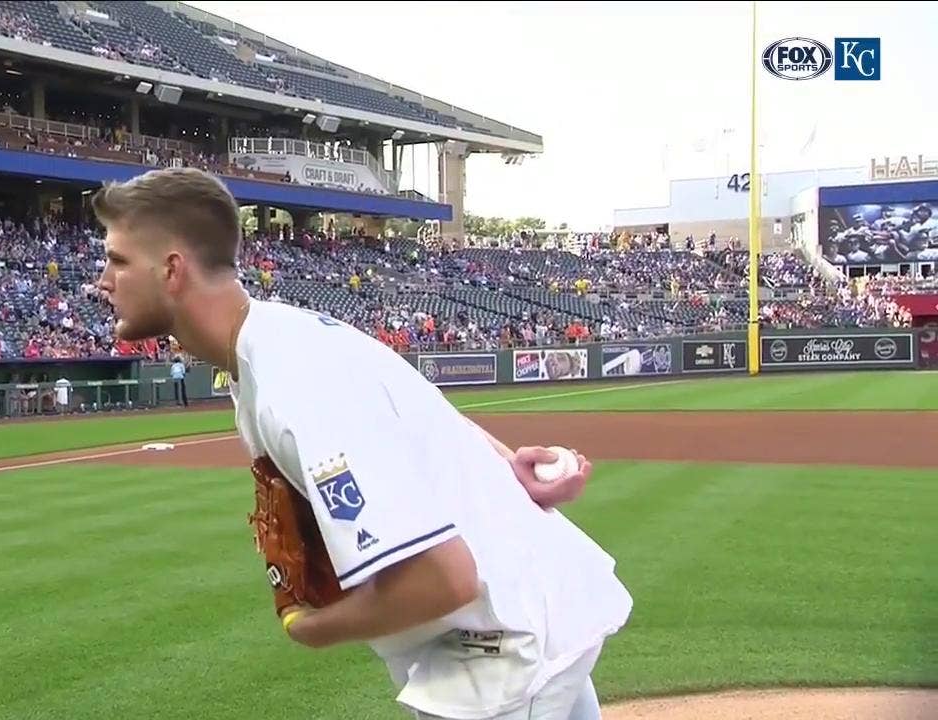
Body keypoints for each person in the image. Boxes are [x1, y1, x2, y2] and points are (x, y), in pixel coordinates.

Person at [92, 167, 632, 720]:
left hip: (505, 650)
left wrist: (310, 627)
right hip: (531, 610)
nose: (103, 281)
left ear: (172, 269)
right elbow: (421, 410)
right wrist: (506, 462)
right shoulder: (284, 336)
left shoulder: (290, 380)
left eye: (118, 260)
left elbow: (441, 580)